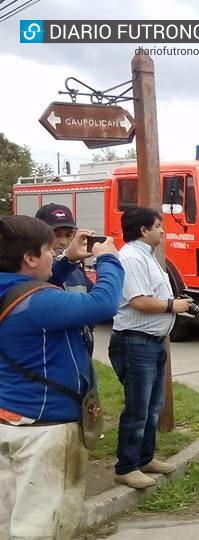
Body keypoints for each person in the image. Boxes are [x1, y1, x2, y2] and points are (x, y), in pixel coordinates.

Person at [0, 215, 122, 540]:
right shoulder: (38, 304)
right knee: (45, 525)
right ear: (29, 258)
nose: (53, 255)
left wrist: (66, 262)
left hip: (12, 417)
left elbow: (29, 285)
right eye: (48, 250)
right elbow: (104, 302)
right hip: (46, 429)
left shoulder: (11, 290)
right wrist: (108, 258)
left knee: (10, 516)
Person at [110, 207, 194, 489]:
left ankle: (145, 458)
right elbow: (140, 302)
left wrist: (177, 302)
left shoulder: (147, 256)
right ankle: (126, 466)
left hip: (152, 343)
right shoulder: (132, 258)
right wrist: (173, 305)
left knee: (152, 406)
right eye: (158, 225)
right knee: (137, 408)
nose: (162, 230)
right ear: (143, 230)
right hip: (135, 343)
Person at [35, 203, 97, 358]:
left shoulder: (75, 268)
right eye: (56, 234)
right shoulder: (32, 269)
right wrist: (68, 259)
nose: (63, 242)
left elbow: (96, 304)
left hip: (80, 353)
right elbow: (50, 279)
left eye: (69, 235)